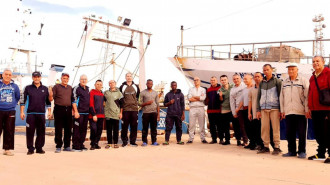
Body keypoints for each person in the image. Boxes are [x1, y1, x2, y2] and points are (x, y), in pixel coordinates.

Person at [280, 63, 309, 158]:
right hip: (288, 111)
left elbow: (307, 96)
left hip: (300, 111)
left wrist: (306, 109)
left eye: (293, 69)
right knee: (289, 132)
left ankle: (302, 151)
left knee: (301, 133)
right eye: (289, 69)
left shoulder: (303, 81)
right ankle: (291, 151)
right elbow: (282, 97)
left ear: (297, 70)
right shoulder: (284, 82)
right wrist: (282, 110)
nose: (291, 71)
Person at [20, 71, 52, 155]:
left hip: (41, 114)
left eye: (38, 76)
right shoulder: (27, 88)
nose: (36, 78)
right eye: (35, 77)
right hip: (30, 114)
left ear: (40, 77)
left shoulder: (45, 89)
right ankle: (30, 149)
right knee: (30, 132)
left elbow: (48, 102)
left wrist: (49, 112)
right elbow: (23, 100)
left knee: (41, 132)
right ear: (32, 78)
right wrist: (22, 112)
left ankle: (39, 148)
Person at [307, 56, 330, 163]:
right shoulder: (312, 77)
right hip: (315, 109)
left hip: (326, 109)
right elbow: (310, 93)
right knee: (319, 133)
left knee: (327, 132)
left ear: (323, 62)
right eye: (313, 61)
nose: (315, 63)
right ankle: (321, 153)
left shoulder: (328, 73)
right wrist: (309, 108)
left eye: (318, 61)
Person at [256, 64, 282, 155]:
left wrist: (281, 110)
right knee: (264, 128)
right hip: (263, 109)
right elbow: (258, 97)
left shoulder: (277, 81)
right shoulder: (261, 83)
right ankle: (266, 146)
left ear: (271, 70)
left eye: (267, 70)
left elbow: (281, 96)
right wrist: (258, 110)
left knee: (275, 128)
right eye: (264, 70)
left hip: (274, 108)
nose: (266, 71)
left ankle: (277, 147)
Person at [50, 72, 73, 153]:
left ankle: (67, 146)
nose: (65, 80)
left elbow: (72, 99)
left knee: (68, 128)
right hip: (59, 109)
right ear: (61, 79)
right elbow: (51, 98)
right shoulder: (56, 87)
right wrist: (50, 93)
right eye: (64, 78)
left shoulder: (70, 88)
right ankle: (58, 146)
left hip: (68, 109)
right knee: (58, 128)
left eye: (67, 78)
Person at [0, 69, 20, 156]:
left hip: (10, 111)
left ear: (11, 76)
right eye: (6, 74)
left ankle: (7, 149)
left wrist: (12, 105)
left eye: (9, 75)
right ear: (2, 75)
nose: (8, 76)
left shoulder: (15, 86)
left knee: (9, 130)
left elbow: (17, 97)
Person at [119, 72, 140, 147]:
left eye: (130, 76)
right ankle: (124, 142)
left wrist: (136, 105)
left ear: (132, 77)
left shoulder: (136, 87)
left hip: (134, 109)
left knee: (134, 126)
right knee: (124, 126)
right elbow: (120, 98)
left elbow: (137, 97)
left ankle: (132, 142)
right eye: (127, 76)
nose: (129, 77)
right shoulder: (122, 87)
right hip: (125, 110)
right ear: (125, 77)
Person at [139, 79, 160, 146]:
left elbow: (158, 104)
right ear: (146, 84)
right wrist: (146, 103)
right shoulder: (142, 93)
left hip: (154, 112)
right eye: (148, 83)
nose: (149, 85)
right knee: (145, 128)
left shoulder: (155, 93)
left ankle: (154, 141)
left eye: (151, 84)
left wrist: (158, 114)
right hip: (146, 113)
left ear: (152, 84)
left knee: (154, 128)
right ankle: (144, 141)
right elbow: (139, 103)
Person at [72, 74, 90, 152]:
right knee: (77, 130)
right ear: (79, 80)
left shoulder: (88, 89)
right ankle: (75, 145)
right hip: (79, 113)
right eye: (82, 79)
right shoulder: (76, 88)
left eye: (85, 79)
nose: (84, 80)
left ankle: (81, 144)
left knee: (84, 130)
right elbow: (74, 101)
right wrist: (76, 112)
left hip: (86, 113)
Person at [187, 77, 207, 144]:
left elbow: (203, 98)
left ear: (200, 81)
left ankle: (203, 138)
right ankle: (191, 138)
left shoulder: (203, 89)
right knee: (192, 124)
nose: (196, 81)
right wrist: (198, 98)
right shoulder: (191, 89)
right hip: (192, 107)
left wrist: (195, 97)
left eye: (197, 80)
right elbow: (190, 98)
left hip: (201, 107)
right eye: (194, 80)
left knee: (202, 124)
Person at [104, 80, 123, 149]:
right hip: (108, 114)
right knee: (109, 130)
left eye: (113, 83)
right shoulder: (106, 93)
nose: (111, 84)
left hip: (116, 114)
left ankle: (115, 143)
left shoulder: (119, 93)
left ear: (115, 84)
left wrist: (121, 113)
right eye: (110, 83)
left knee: (115, 130)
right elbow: (103, 101)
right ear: (109, 84)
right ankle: (109, 144)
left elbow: (122, 104)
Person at [248, 72, 264, 150]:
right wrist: (249, 113)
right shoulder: (251, 89)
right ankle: (259, 144)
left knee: (263, 130)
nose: (257, 78)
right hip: (254, 113)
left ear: (262, 78)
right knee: (256, 129)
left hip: (264, 112)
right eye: (255, 77)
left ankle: (265, 145)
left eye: (258, 76)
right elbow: (250, 101)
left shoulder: (265, 88)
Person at [230, 74, 246, 146]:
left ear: (240, 79)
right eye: (234, 79)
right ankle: (239, 140)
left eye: (237, 78)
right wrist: (234, 112)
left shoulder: (245, 86)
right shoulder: (232, 89)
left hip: (246, 108)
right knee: (238, 126)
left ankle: (246, 140)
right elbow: (232, 102)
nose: (236, 80)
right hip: (238, 110)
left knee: (246, 126)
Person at [89, 80, 105, 150]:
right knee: (93, 129)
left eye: (100, 84)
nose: (99, 85)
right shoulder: (91, 92)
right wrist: (93, 114)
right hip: (93, 115)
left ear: (102, 86)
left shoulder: (102, 94)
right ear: (95, 85)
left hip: (101, 115)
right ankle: (92, 143)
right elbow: (91, 104)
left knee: (99, 130)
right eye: (97, 84)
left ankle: (96, 143)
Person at [205, 76, 222, 144]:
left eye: (214, 80)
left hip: (218, 110)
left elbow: (221, 99)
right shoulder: (208, 90)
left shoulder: (220, 88)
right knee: (212, 126)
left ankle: (221, 139)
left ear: (217, 81)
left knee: (219, 126)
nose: (213, 81)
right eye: (211, 80)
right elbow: (207, 99)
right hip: (210, 111)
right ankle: (214, 139)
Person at [240, 74, 254, 149]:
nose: (244, 80)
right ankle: (251, 142)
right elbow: (242, 100)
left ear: (251, 79)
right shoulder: (244, 89)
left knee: (252, 126)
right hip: (245, 109)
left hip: (251, 109)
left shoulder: (254, 87)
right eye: (244, 79)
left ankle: (254, 143)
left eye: (246, 79)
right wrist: (238, 109)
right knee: (247, 127)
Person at [218, 75, 233, 145]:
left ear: (227, 80)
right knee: (226, 126)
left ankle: (240, 140)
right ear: (220, 81)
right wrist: (220, 96)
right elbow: (220, 100)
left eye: (225, 80)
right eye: (222, 80)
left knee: (236, 125)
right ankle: (227, 140)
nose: (224, 81)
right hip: (225, 109)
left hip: (233, 109)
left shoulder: (233, 86)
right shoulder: (219, 90)